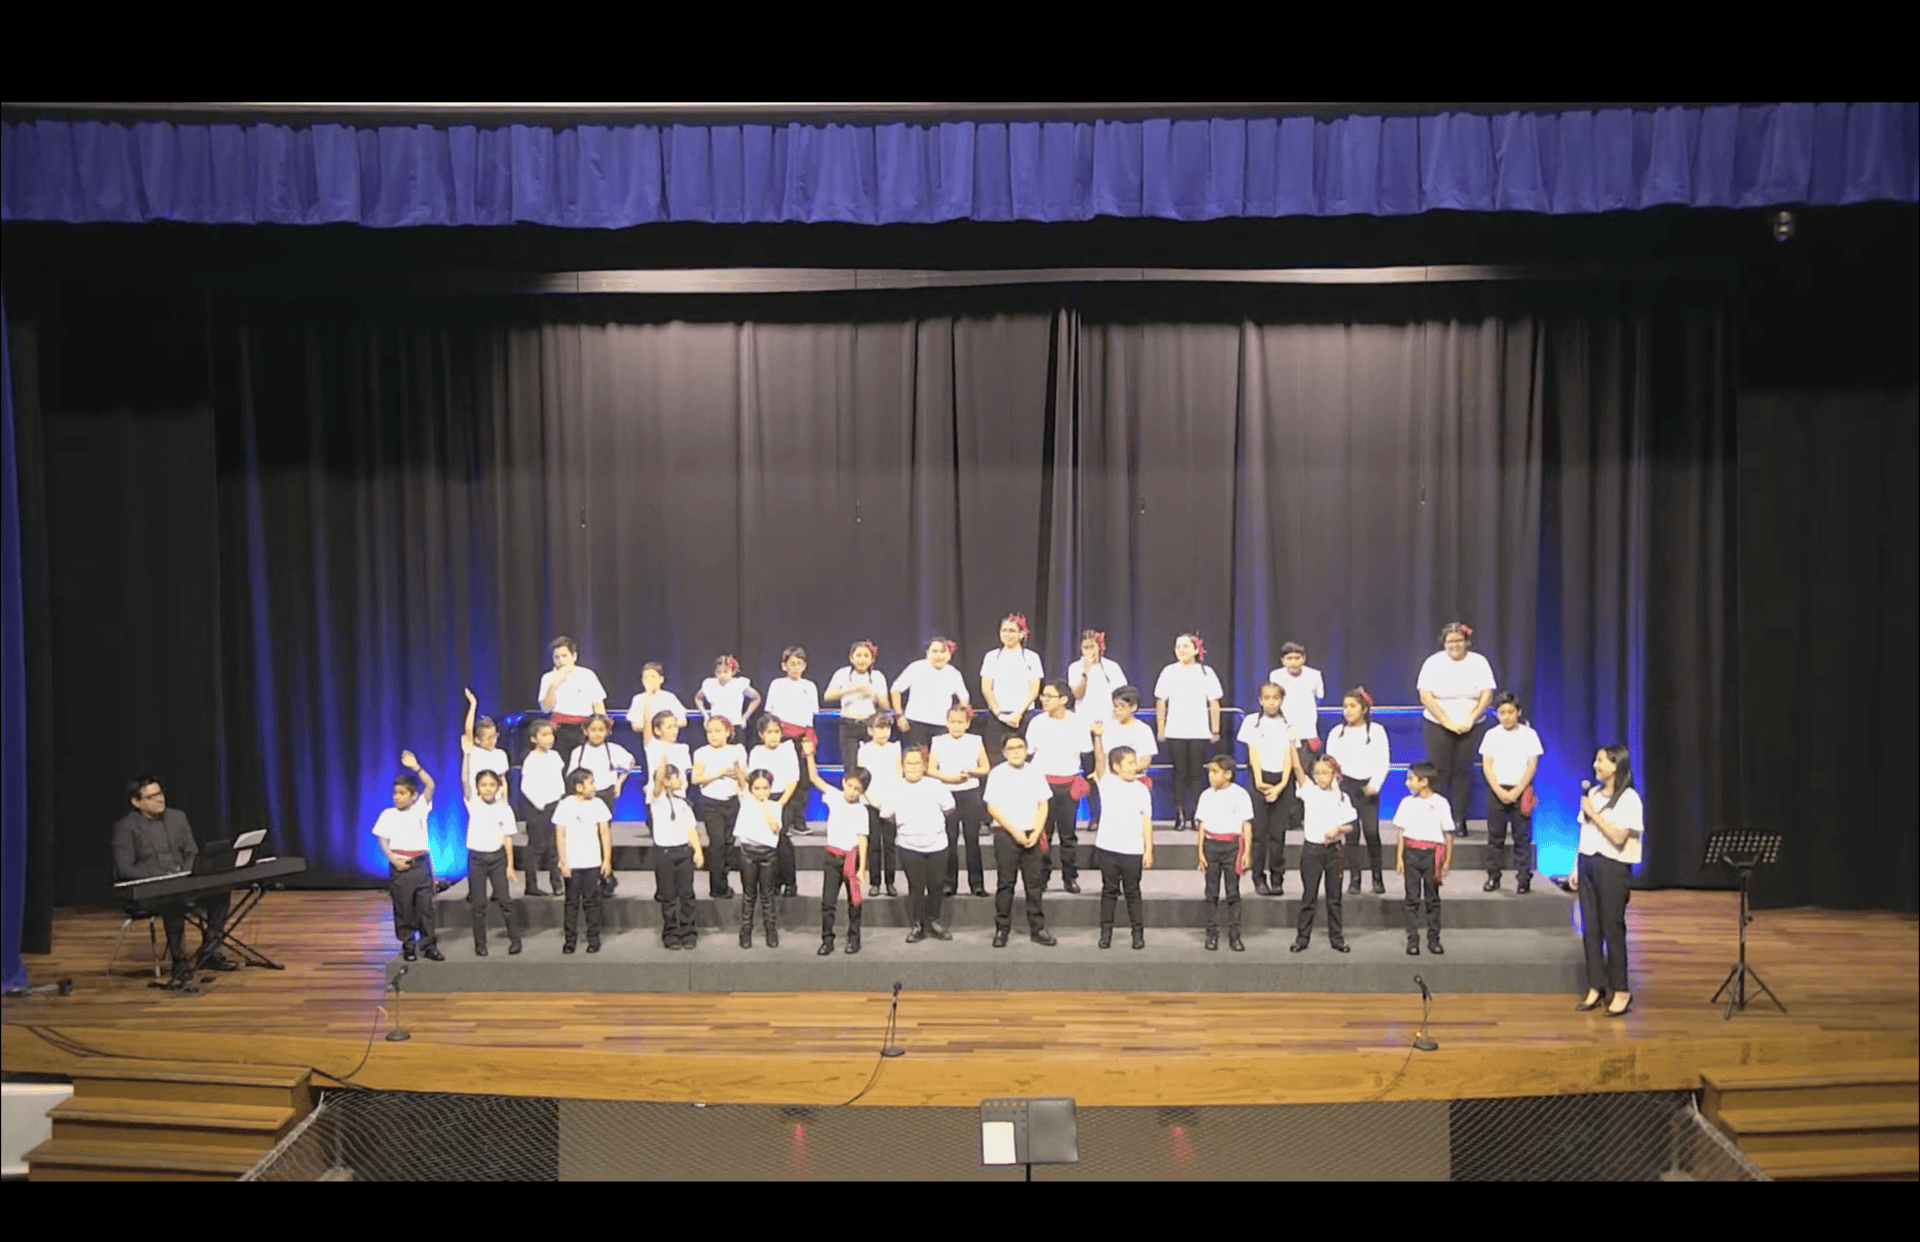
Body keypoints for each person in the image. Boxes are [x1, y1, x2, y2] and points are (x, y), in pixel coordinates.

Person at [111, 777, 237, 986]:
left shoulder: (177, 817)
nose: (160, 799)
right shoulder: (125, 827)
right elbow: (125, 868)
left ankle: (210, 953)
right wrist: (161, 874)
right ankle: (180, 962)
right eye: (152, 796)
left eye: (160, 793)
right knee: (173, 901)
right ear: (136, 802)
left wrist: (185, 872)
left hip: (183, 883)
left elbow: (192, 853)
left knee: (220, 891)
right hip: (150, 891)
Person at [1573, 745, 1643, 1018]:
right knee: (1590, 928)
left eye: (1601, 760)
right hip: (1588, 863)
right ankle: (1596, 986)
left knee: (1612, 927)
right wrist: (1575, 867)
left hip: (1612, 867)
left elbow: (1618, 837)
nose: (1595, 764)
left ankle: (1621, 990)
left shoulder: (1629, 799)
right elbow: (1585, 832)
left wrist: (1594, 814)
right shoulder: (1592, 794)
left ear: (1616, 765)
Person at [1417, 622, 1497, 838]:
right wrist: (1446, 721)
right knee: (1439, 771)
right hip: (1437, 723)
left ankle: (1459, 820)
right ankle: (1438, 820)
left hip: (1471, 725)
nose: (1454, 645)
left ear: (1467, 642)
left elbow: (1487, 693)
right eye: (1449, 641)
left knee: (1462, 771)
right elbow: (1425, 695)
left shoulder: (1479, 662)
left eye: (1458, 641)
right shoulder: (1433, 662)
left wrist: (1471, 718)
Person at [984, 735, 1056, 947]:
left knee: (1034, 884)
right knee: (1006, 884)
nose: (1016, 751)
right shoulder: (997, 774)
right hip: (1006, 834)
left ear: (1026, 750)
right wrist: (1015, 832)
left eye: (1020, 747)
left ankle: (1038, 929)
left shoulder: (1035, 772)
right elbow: (992, 807)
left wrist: (1037, 832)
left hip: (1032, 833)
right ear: (1004, 752)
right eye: (1011, 748)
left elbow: (1043, 804)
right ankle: (1002, 929)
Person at [880, 748, 956, 943]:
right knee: (916, 887)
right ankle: (918, 925)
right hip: (909, 846)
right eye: (909, 763)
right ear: (903, 766)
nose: (913, 767)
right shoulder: (896, 789)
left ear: (924, 766)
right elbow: (886, 814)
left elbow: (949, 807)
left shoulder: (936, 785)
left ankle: (934, 922)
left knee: (936, 885)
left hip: (937, 845)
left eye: (917, 763)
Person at [373, 751, 442, 962]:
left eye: (402, 793)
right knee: (404, 908)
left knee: (425, 907)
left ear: (412, 796)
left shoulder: (420, 808)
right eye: (395, 793)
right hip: (401, 867)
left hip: (421, 865)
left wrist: (416, 768)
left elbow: (430, 785)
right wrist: (393, 859)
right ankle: (408, 944)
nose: (397, 797)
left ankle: (429, 945)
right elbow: (381, 839)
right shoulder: (388, 815)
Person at [1027, 677, 1093, 893]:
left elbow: (1086, 752)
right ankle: (1042, 876)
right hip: (1042, 784)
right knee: (1043, 833)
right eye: (1043, 695)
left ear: (1064, 699)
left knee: (1068, 835)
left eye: (1049, 696)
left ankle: (1069, 877)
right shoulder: (1037, 722)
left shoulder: (1078, 722)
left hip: (1068, 783)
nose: (1044, 699)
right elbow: (1029, 752)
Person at [1090, 732, 1154, 950]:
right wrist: (1098, 737)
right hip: (1108, 847)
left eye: (1135, 762)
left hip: (1133, 849)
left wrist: (1148, 849)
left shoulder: (1142, 789)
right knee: (1109, 891)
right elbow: (1099, 760)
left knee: (1132, 892)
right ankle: (1105, 934)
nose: (1134, 766)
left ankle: (1137, 934)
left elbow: (1146, 820)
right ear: (1116, 767)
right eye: (1129, 762)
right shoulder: (1107, 782)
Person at [805, 740, 870, 955]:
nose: (851, 791)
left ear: (863, 791)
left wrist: (861, 868)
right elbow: (814, 778)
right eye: (849, 785)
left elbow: (862, 839)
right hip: (832, 857)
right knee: (828, 902)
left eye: (857, 789)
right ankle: (827, 939)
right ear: (843, 782)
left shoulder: (862, 811)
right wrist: (809, 755)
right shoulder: (833, 795)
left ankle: (854, 938)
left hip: (851, 858)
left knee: (854, 901)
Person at [1236, 681, 1300, 896]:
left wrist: (1281, 785)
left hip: (1283, 781)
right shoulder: (1251, 722)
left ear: (1281, 700)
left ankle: (1277, 877)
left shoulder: (1289, 724)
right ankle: (1258, 877)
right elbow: (1253, 751)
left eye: (1275, 698)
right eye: (1267, 698)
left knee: (1278, 834)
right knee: (1260, 833)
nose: (1271, 702)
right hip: (1259, 780)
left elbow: (1290, 755)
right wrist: (1258, 781)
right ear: (1260, 700)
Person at [1155, 633, 1223, 832]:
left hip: (1199, 731)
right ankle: (1180, 815)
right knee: (1179, 774)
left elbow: (1214, 702)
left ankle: (1195, 815)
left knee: (1196, 774)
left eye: (1186, 646)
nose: (1181, 650)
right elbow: (1160, 701)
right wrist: (1161, 728)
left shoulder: (1206, 672)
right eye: (1178, 646)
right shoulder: (1169, 671)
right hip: (1175, 731)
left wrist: (1215, 729)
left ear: (1196, 649)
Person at [1326, 687, 1391, 895]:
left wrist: (1375, 785)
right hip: (1346, 787)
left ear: (1364, 709)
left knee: (1371, 832)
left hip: (1368, 787)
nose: (1348, 710)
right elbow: (1330, 764)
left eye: (1353, 706)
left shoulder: (1376, 731)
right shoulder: (1336, 733)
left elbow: (1383, 761)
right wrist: (1336, 789)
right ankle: (1355, 878)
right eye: (1345, 706)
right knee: (1351, 834)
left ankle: (1377, 877)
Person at [1480, 691, 1544, 893]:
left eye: (1510, 712)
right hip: (1497, 790)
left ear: (1518, 712)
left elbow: (1531, 766)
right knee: (1495, 837)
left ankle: (1524, 879)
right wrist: (1499, 790)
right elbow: (1487, 765)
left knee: (1522, 838)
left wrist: (1517, 791)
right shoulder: (1491, 735)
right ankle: (1493, 877)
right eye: (1502, 712)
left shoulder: (1529, 735)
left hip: (1522, 791)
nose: (1506, 716)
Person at [1292, 756, 1355, 954]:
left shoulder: (1342, 797)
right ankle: (1302, 938)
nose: (1320, 777)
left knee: (1334, 898)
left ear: (1335, 774)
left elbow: (1350, 825)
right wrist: (1292, 743)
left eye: (1325, 772)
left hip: (1334, 851)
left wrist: (1339, 829)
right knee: (1309, 896)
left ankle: (1337, 938)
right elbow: (1297, 768)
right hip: (1312, 851)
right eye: (1317, 773)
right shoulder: (1309, 791)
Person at [1067, 630, 1127, 831]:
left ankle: (1114, 814)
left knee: (1112, 769)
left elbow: (1122, 694)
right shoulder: (1075, 667)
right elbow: (1076, 694)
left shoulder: (1111, 667)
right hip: (1084, 726)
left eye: (1092, 646)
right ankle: (1095, 815)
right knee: (1091, 771)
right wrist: (1085, 671)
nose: (1088, 651)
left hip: (1109, 725)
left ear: (1100, 647)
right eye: (1085, 647)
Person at [929, 703, 990, 898]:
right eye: (953, 722)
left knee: (972, 839)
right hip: (947, 793)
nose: (956, 725)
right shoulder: (938, 741)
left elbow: (985, 767)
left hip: (970, 793)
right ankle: (949, 883)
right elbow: (930, 769)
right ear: (947, 723)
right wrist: (948, 778)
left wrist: (971, 772)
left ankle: (977, 884)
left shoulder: (975, 740)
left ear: (967, 724)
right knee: (950, 839)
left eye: (960, 722)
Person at [462, 757, 521, 957]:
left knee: (505, 901)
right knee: (478, 904)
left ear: (498, 787)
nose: (488, 789)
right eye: (484, 785)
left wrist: (510, 865)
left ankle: (515, 940)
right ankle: (480, 944)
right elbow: (465, 779)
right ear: (478, 788)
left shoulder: (504, 809)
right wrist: (467, 755)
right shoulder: (473, 803)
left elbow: (508, 839)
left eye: (491, 785)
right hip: (477, 859)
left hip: (497, 859)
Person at [1193, 754, 1253, 952]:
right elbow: (1201, 825)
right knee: (1211, 892)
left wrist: (1246, 853)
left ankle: (1235, 935)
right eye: (1209, 771)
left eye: (1215, 771)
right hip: (1211, 845)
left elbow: (1246, 826)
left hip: (1232, 847)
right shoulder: (1206, 795)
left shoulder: (1240, 794)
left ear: (1228, 774)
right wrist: (1200, 852)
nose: (1210, 775)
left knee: (1232, 892)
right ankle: (1211, 934)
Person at [1396, 761, 1453, 956]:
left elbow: (1448, 835)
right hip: (1411, 854)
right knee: (1411, 898)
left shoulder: (1441, 803)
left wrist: (1446, 861)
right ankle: (1412, 939)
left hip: (1433, 855)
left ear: (1424, 781)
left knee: (1432, 899)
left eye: (1411, 779)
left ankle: (1434, 939)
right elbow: (1401, 832)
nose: (1407, 782)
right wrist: (1400, 858)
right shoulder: (1407, 803)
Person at [553, 768, 613, 954]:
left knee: (591, 903)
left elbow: (605, 833)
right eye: (590, 783)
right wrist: (563, 862)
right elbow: (560, 835)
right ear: (578, 787)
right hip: (572, 864)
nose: (594, 786)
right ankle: (570, 940)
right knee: (571, 904)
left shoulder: (598, 804)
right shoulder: (565, 805)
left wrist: (607, 860)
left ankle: (593, 939)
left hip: (592, 862)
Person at [764, 646, 822, 835]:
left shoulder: (810, 686)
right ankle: (783, 820)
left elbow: (811, 716)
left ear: (805, 666)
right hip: (782, 736)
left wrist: (809, 738)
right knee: (783, 778)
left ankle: (799, 821)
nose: (795, 667)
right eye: (792, 663)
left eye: (799, 663)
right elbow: (770, 712)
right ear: (784, 666)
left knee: (804, 779)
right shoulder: (777, 684)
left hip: (803, 736)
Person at [647, 764, 704, 951]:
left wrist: (698, 850)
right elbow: (658, 780)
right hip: (664, 854)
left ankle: (688, 932)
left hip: (683, 853)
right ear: (666, 780)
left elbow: (691, 829)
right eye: (676, 777)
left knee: (687, 895)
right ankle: (671, 933)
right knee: (669, 896)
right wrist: (662, 755)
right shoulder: (656, 799)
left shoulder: (683, 803)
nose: (680, 780)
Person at [690, 716, 747, 899]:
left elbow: (744, 779)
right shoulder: (701, 753)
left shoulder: (737, 750)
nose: (713, 735)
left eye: (718, 731)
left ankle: (724, 882)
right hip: (711, 803)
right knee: (717, 844)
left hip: (732, 802)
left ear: (728, 732)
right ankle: (716, 886)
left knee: (729, 845)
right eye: (710, 731)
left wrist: (739, 774)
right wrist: (718, 773)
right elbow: (696, 778)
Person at [748, 715, 805, 898]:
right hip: (762, 798)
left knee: (781, 839)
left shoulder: (787, 749)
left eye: (776, 732)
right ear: (761, 734)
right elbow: (753, 778)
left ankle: (789, 882)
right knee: (766, 843)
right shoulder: (756, 752)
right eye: (769, 732)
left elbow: (793, 779)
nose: (773, 736)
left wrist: (780, 804)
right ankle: (772, 883)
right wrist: (763, 802)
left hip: (784, 798)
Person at [979, 613, 1044, 763]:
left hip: (1024, 716)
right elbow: (986, 688)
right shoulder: (991, 656)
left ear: (1022, 634)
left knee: (1024, 759)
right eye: (1004, 630)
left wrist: (1018, 713)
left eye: (1012, 630)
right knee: (997, 759)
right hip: (998, 716)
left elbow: (1034, 689)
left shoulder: (1032, 657)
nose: (1007, 634)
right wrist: (1000, 714)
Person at [891, 636, 970, 754]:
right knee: (916, 759)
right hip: (915, 724)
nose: (938, 655)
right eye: (935, 651)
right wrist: (899, 716)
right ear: (927, 653)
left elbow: (964, 698)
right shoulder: (916, 668)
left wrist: (957, 721)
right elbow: (896, 690)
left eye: (942, 651)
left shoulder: (954, 673)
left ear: (949, 655)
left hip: (942, 726)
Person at [734, 770, 785, 948]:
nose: (761, 792)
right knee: (749, 895)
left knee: (767, 895)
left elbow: (775, 827)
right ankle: (745, 932)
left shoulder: (776, 806)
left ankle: (770, 931)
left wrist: (765, 806)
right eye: (757, 788)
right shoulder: (745, 801)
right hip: (748, 853)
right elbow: (741, 776)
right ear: (751, 788)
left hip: (768, 854)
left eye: (765, 788)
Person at [825, 640, 889, 780]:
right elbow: (827, 696)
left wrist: (875, 695)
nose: (862, 659)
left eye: (866, 656)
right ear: (851, 657)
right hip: (848, 724)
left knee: (872, 765)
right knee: (851, 767)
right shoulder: (842, 674)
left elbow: (885, 706)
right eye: (858, 655)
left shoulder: (878, 676)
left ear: (872, 659)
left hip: (871, 725)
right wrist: (853, 689)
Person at [517, 719, 567, 897]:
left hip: (555, 805)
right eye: (544, 735)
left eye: (551, 734)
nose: (549, 738)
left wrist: (560, 796)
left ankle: (557, 882)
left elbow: (558, 778)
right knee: (536, 847)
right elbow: (526, 785)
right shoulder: (531, 759)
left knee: (555, 846)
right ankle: (531, 884)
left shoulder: (555, 756)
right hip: (537, 808)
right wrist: (540, 803)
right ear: (534, 739)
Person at [858, 712, 905, 896]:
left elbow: (898, 776)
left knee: (890, 844)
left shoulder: (895, 749)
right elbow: (862, 778)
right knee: (874, 843)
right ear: (870, 730)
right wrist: (874, 801)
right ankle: (875, 882)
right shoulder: (864, 750)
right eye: (879, 728)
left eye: (886, 728)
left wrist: (891, 801)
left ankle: (890, 882)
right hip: (870, 802)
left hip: (890, 803)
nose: (883, 733)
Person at [537, 635, 607, 758]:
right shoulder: (548, 678)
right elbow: (545, 708)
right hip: (559, 729)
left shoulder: (587, 675)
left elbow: (598, 705)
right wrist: (553, 685)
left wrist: (599, 728)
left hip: (583, 728)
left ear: (574, 656)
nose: (561, 660)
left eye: (564, 656)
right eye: (557, 657)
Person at [566, 714, 633, 815]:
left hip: (606, 793)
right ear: (585, 731)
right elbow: (571, 776)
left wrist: (619, 783)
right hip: (584, 796)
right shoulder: (578, 752)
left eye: (601, 730)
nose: (597, 734)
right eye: (593, 730)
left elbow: (630, 762)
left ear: (607, 731)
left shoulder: (614, 749)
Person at [460, 688, 510, 798]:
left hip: (495, 802)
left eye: (495, 736)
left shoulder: (501, 754)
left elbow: (503, 782)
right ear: (477, 739)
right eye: (489, 738)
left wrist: (505, 803)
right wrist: (473, 704)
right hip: (476, 800)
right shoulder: (473, 751)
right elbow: (468, 731)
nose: (493, 740)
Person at [697, 656, 760, 740]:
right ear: (714, 672)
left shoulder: (739, 684)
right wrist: (705, 715)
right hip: (716, 726)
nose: (722, 675)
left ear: (733, 671)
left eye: (725, 672)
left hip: (735, 724)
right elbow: (698, 698)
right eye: (719, 672)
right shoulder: (710, 684)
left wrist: (745, 717)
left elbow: (756, 698)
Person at [627, 662, 690, 745]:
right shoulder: (638, 699)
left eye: (652, 677)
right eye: (645, 678)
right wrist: (654, 727)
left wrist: (667, 726)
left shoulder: (669, 697)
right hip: (648, 742)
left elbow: (683, 721)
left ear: (661, 679)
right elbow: (635, 726)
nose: (649, 681)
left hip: (670, 743)